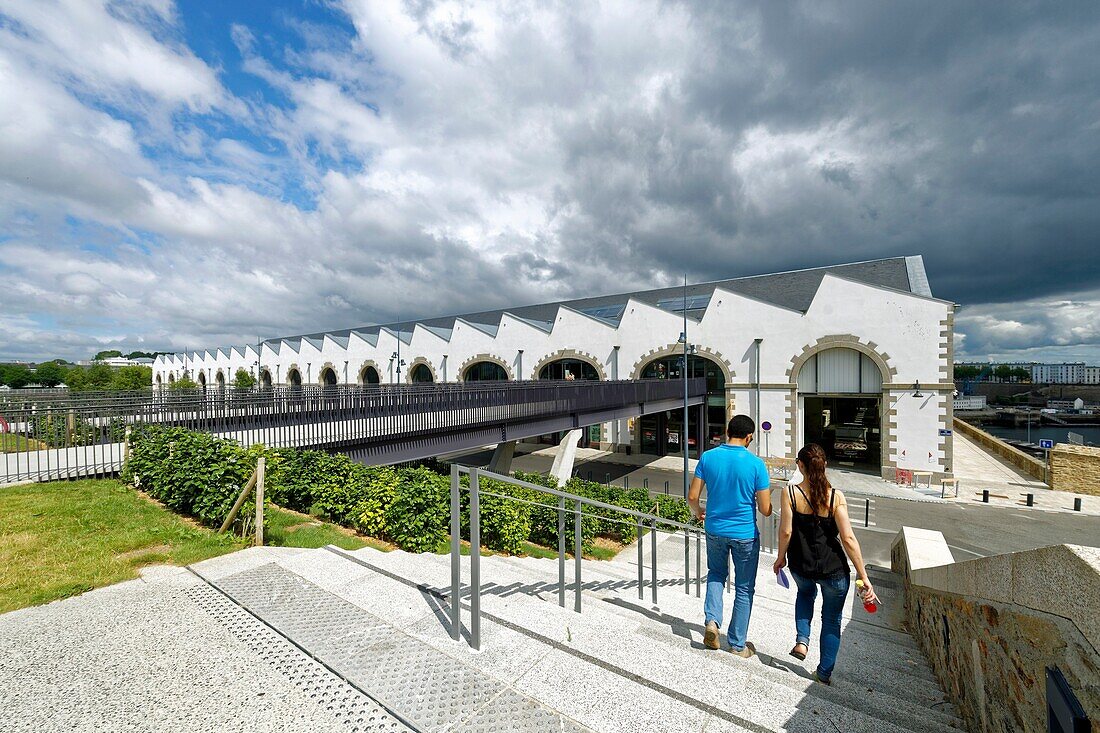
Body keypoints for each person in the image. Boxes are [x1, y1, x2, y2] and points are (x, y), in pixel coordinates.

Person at [772, 443, 879, 685]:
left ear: (800, 465)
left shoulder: (789, 493)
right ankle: (823, 673)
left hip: (801, 564)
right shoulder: (835, 497)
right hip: (834, 569)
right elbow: (848, 538)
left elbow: (786, 531)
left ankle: (802, 641)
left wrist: (780, 558)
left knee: (805, 594)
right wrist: (864, 575)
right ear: (825, 466)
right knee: (832, 620)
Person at [688, 414, 772, 658]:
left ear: (726, 431)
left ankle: (712, 622)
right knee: (744, 588)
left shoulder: (708, 457)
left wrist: (698, 513)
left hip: (714, 528)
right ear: (749, 437)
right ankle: (737, 645)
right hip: (744, 533)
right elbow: (766, 510)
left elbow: (692, 497)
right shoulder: (756, 464)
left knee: (716, 574)